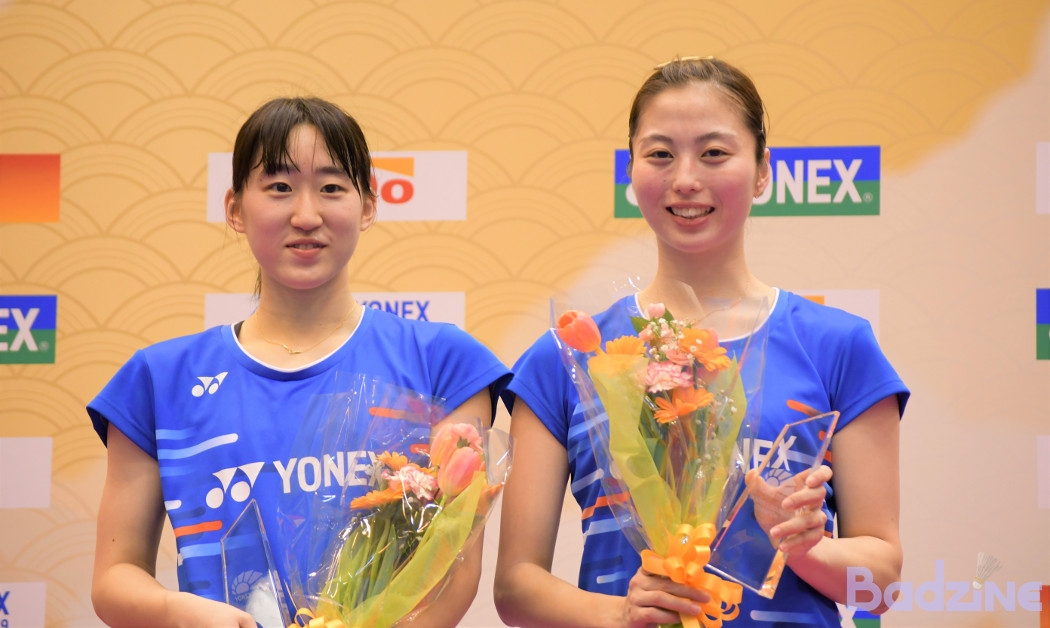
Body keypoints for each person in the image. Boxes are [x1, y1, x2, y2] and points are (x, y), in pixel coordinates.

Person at [493, 57, 908, 627]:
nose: (686, 179)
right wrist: (621, 615)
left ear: (762, 170)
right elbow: (516, 587)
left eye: (714, 152)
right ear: (631, 170)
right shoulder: (569, 354)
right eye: (660, 154)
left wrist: (803, 546)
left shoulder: (838, 346)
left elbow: (880, 585)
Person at [88, 97, 510, 628]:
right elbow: (115, 575)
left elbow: (454, 568)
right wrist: (179, 611)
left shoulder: (444, 363)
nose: (306, 215)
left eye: (331, 188)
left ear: (368, 206)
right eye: (279, 187)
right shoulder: (158, 381)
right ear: (235, 209)